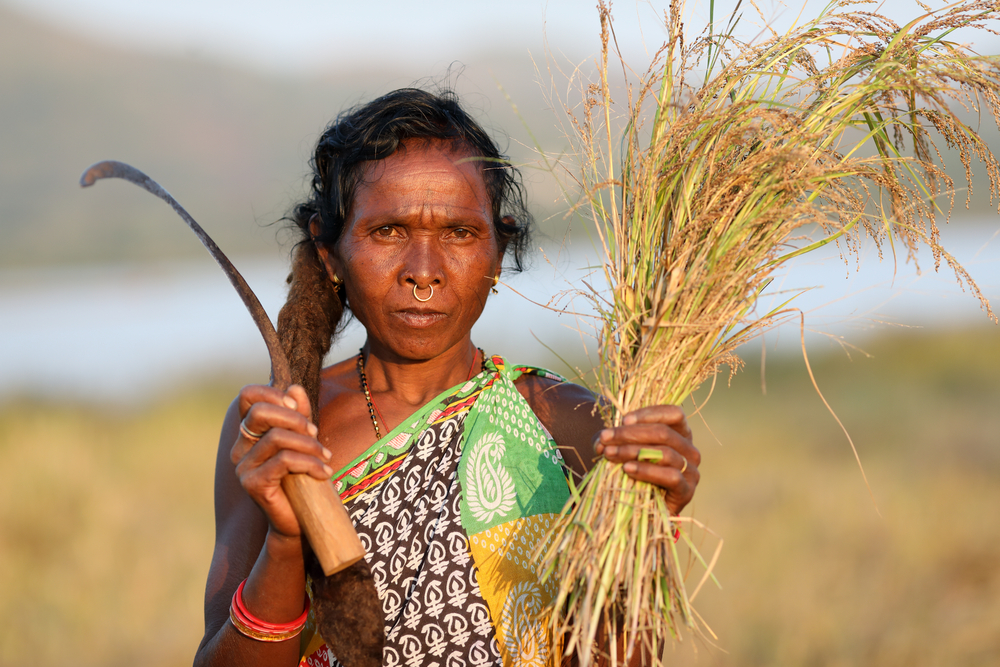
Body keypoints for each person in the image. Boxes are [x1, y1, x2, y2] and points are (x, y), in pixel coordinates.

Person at [193, 88, 700, 667]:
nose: (424, 273)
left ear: (497, 253)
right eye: (388, 231)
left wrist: (649, 527)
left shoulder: (573, 425)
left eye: (459, 233)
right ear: (331, 253)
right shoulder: (281, 431)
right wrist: (287, 541)